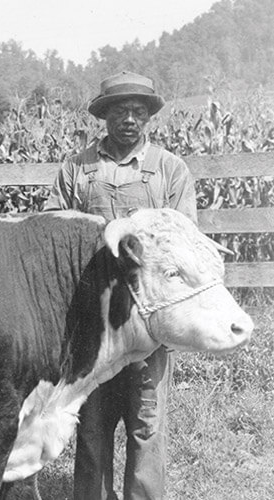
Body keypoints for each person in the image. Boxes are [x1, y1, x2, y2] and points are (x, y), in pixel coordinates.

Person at [46, 71, 195, 500]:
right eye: (119, 111)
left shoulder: (169, 169)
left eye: (138, 111)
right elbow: (52, 235)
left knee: (146, 423)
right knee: (91, 424)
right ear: (104, 115)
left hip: (148, 322)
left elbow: (184, 244)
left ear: (148, 116)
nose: (129, 119)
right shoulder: (77, 169)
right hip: (93, 323)